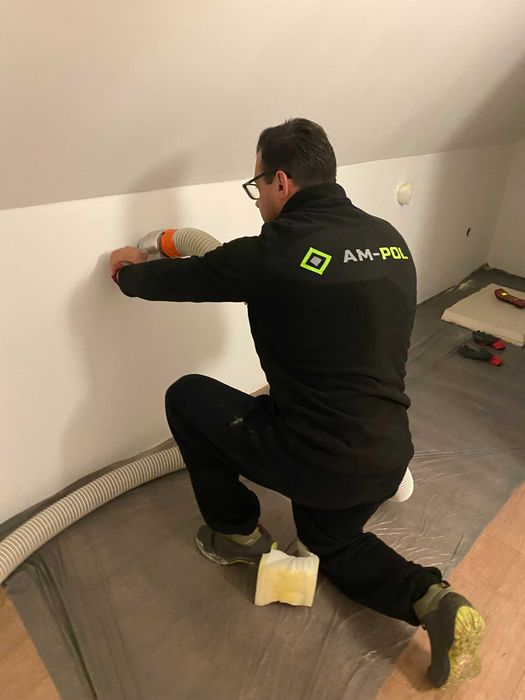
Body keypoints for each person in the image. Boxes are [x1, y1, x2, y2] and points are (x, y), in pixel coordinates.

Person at [110, 118, 485, 688]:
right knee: (333, 541)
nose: (258, 197)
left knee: (188, 397)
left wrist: (126, 269)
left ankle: (236, 535)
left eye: (257, 185)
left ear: (281, 181)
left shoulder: (275, 251)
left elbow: (170, 281)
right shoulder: (389, 238)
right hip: (387, 454)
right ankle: (434, 600)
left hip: (319, 459)